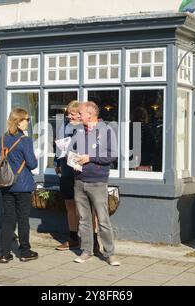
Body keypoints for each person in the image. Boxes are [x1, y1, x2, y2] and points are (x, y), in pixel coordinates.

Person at [70, 101, 120, 266]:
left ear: (90, 114)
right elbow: (73, 150)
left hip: (98, 181)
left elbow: (112, 155)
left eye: (81, 113)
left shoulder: (106, 131)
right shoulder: (79, 131)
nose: (78, 115)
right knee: (84, 219)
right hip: (79, 180)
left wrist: (90, 158)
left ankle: (110, 253)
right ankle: (87, 251)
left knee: (103, 220)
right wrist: (72, 157)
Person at [54, 100, 101, 254]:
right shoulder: (64, 126)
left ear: (81, 115)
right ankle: (73, 237)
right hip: (67, 170)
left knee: (89, 207)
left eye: (73, 113)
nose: (69, 116)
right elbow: (59, 146)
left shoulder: (87, 128)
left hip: (83, 171)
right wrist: (57, 163)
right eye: (68, 113)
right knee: (70, 205)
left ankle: (93, 240)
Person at [0, 108, 38, 263]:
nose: (28, 122)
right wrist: (34, 156)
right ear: (19, 121)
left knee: (8, 219)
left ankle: (4, 254)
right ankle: (25, 252)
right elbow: (32, 164)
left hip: (6, 183)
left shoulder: (2, 139)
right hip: (22, 184)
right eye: (26, 119)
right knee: (23, 219)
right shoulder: (25, 140)